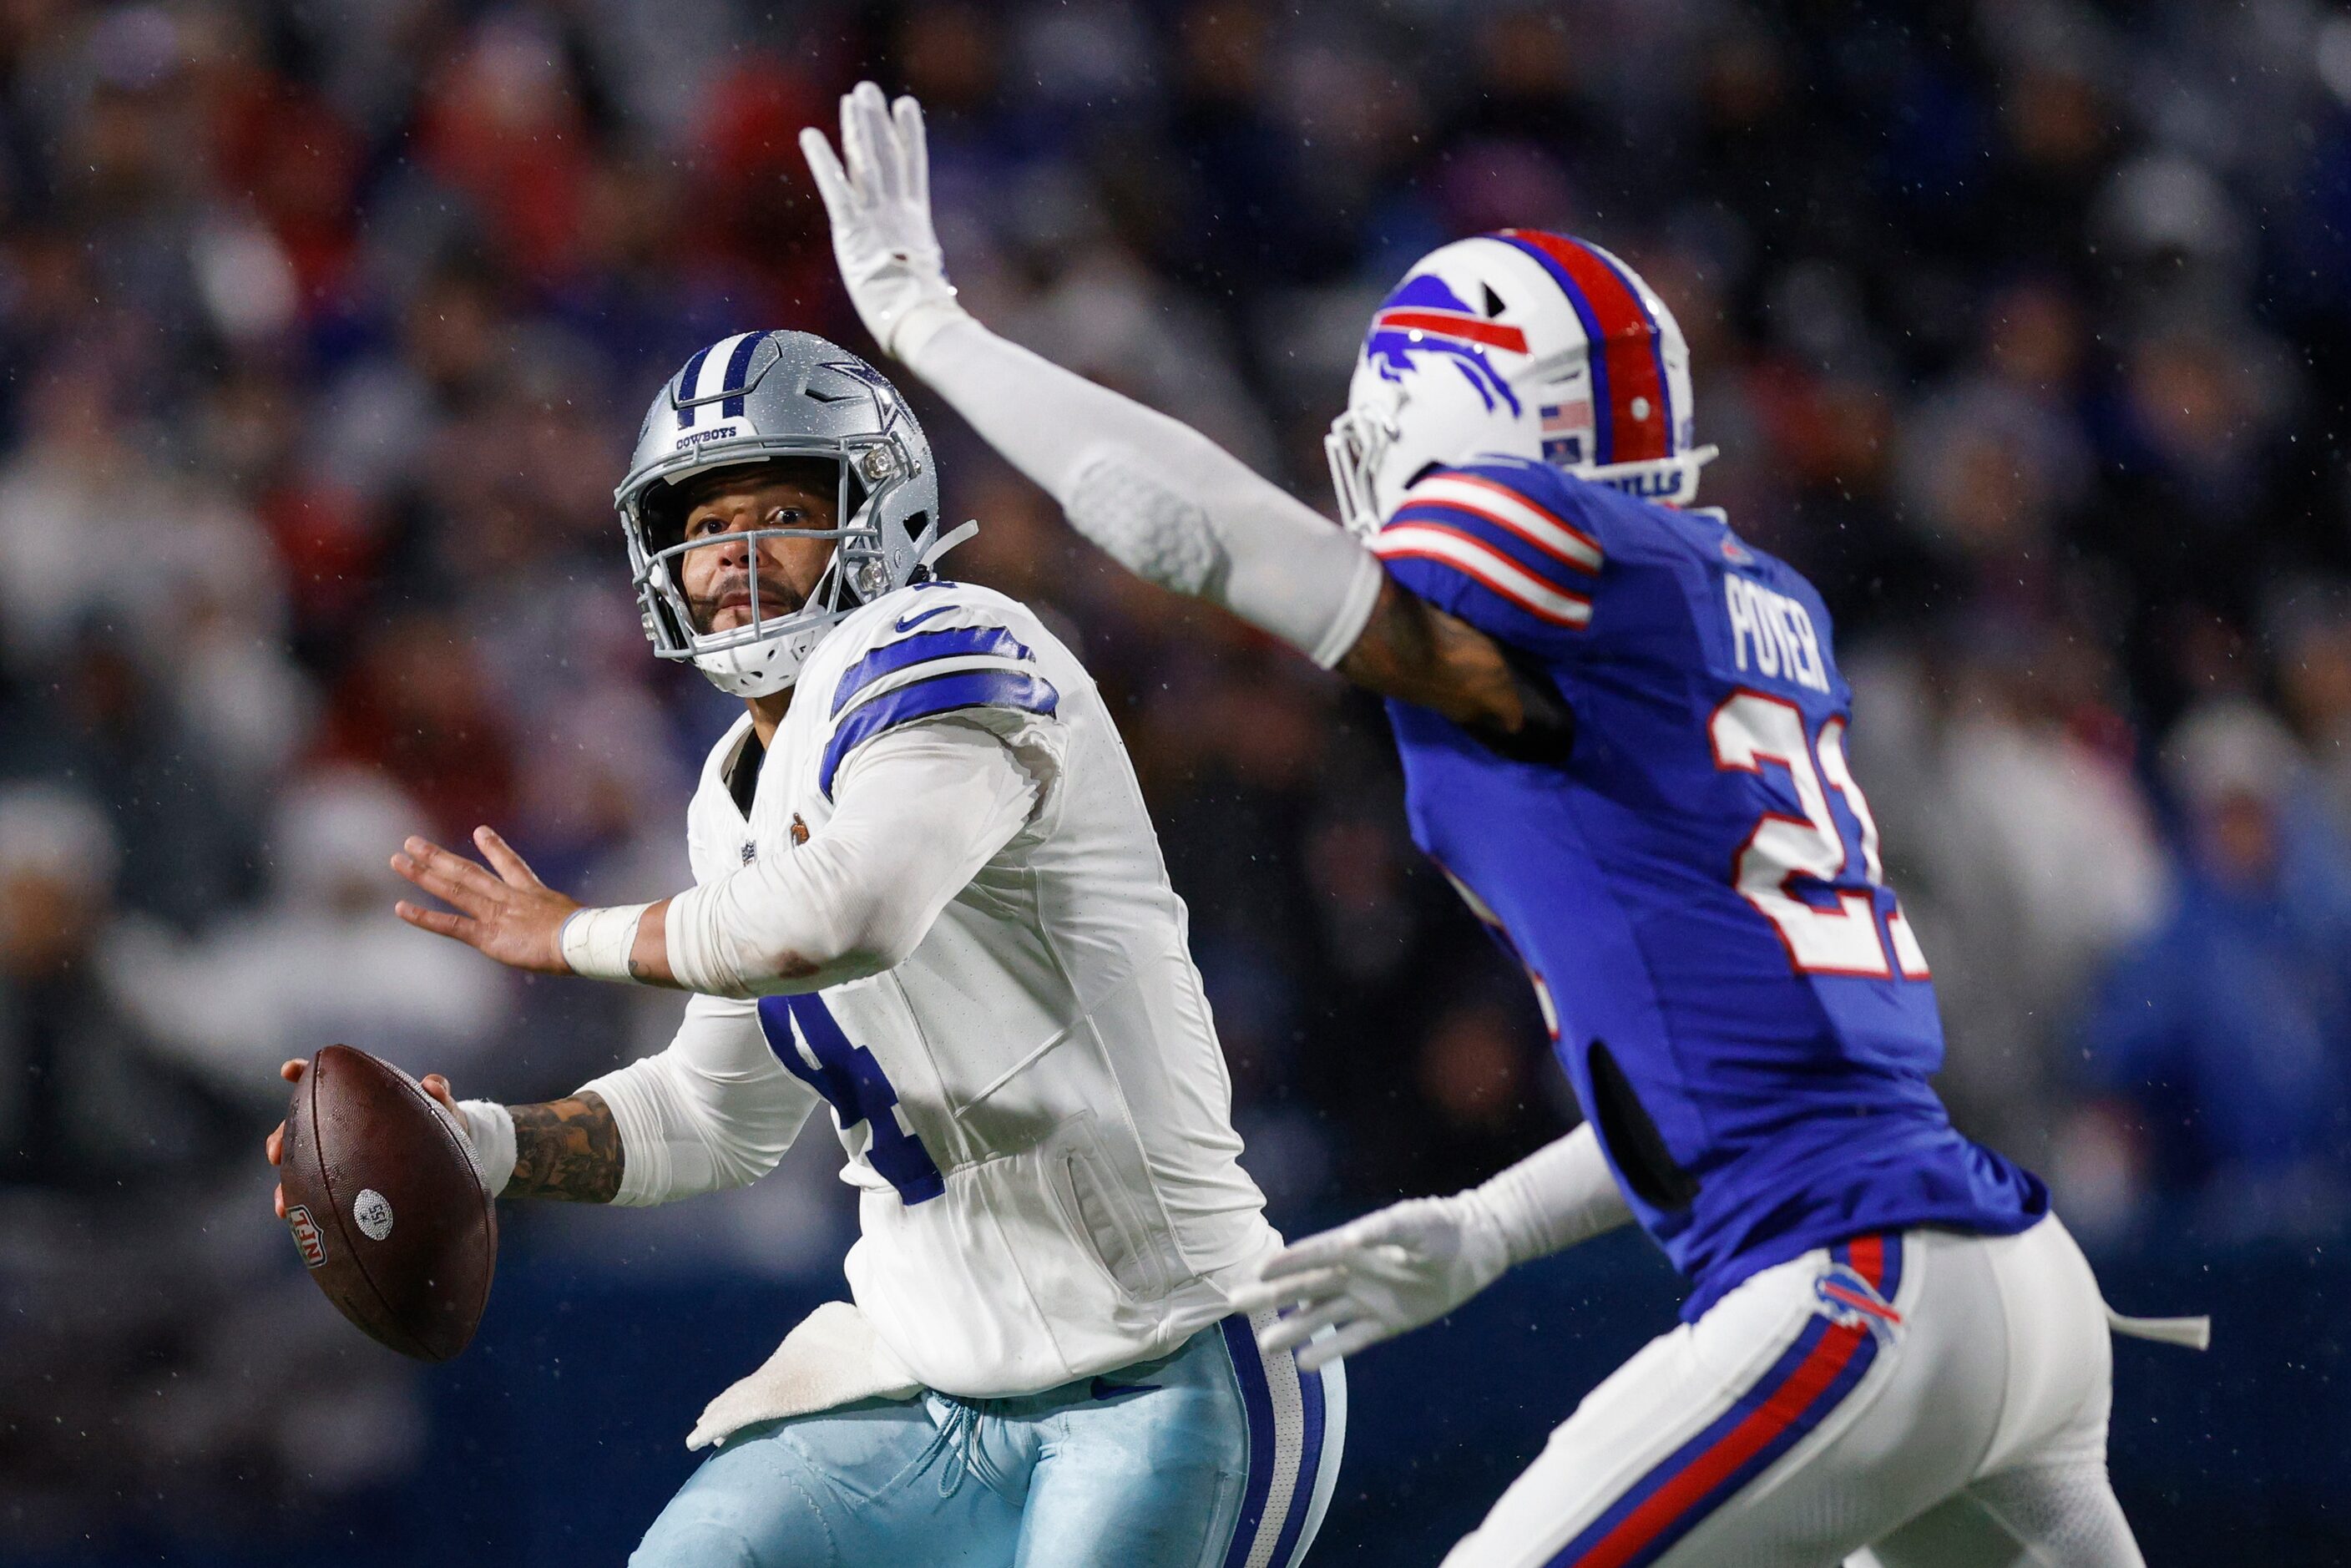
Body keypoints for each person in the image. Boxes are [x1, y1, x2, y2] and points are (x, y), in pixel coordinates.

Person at [800, 83, 2202, 1566]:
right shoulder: (1741, 602)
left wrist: (929, 325)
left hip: (1853, 1282)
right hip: (2007, 1280)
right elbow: (1732, 1075)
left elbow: (1193, 527)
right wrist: (1486, 1230)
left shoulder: (1556, 564)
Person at [265, 330, 1342, 1568]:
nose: (731, 554)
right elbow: (715, 1115)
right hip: (928, 1389)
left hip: (1169, 1367)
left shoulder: (961, 648)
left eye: (781, 507)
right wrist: (484, 1143)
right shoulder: (732, 794)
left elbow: (842, 917)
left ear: (883, 516)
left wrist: (578, 934)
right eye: (704, 521)